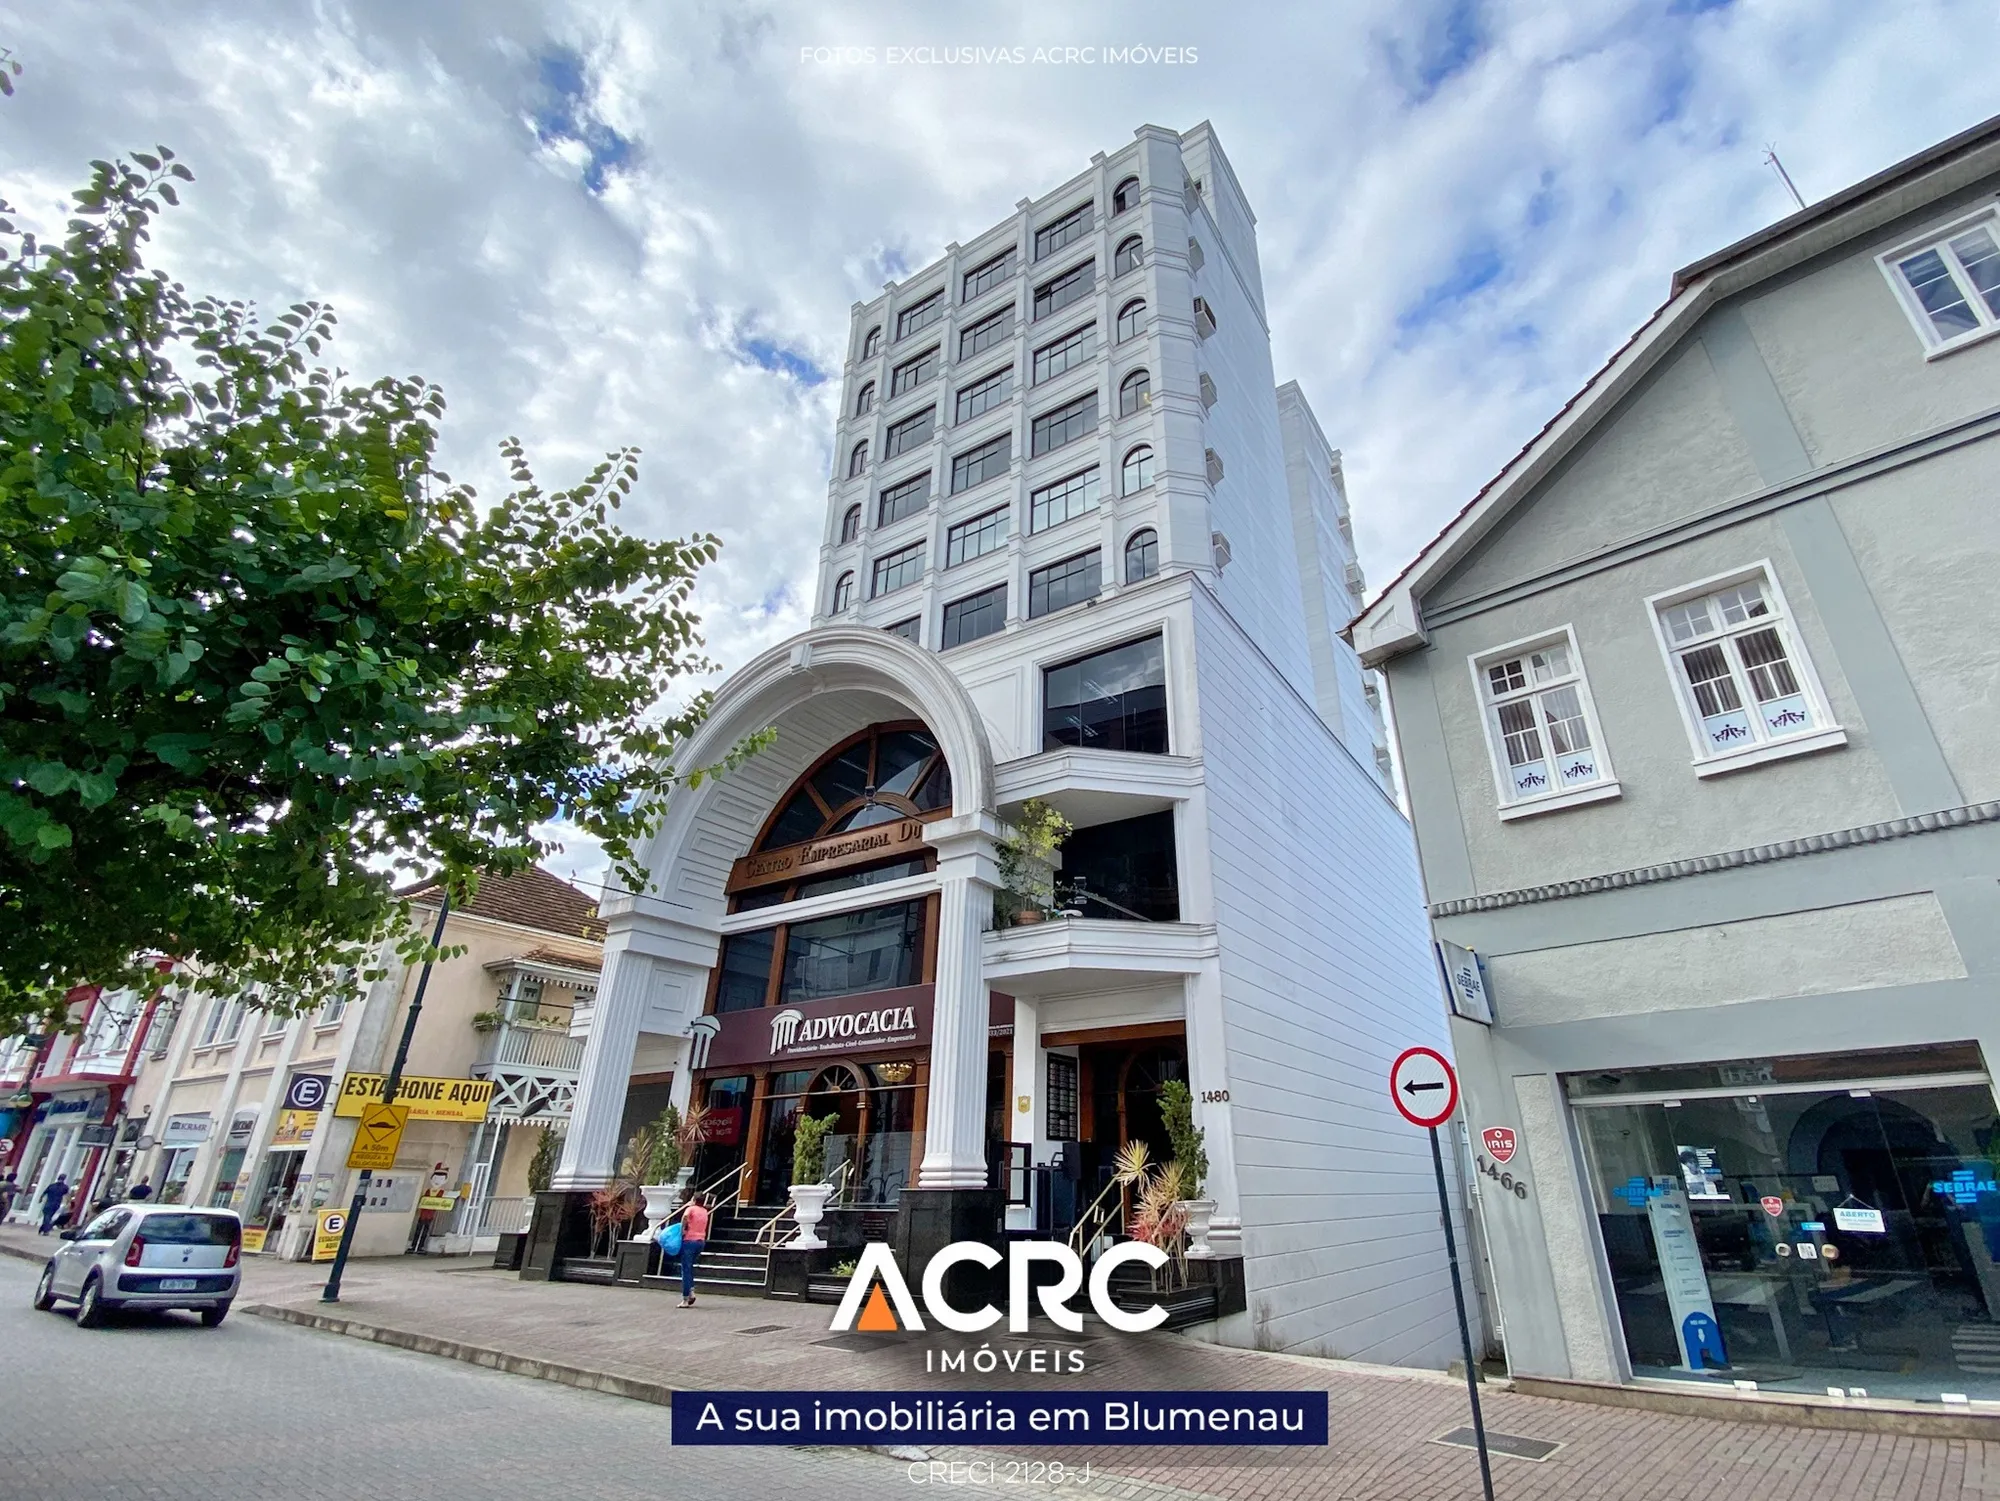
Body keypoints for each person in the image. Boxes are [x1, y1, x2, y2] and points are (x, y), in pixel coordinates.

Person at [677, 1193, 711, 1308]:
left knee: (686, 1269)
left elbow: (685, 1217)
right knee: (690, 1267)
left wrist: (682, 1230)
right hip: (700, 1241)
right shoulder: (705, 1211)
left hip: (689, 1240)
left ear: (694, 1200)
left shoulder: (690, 1209)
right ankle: (691, 1291)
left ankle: (686, 1298)